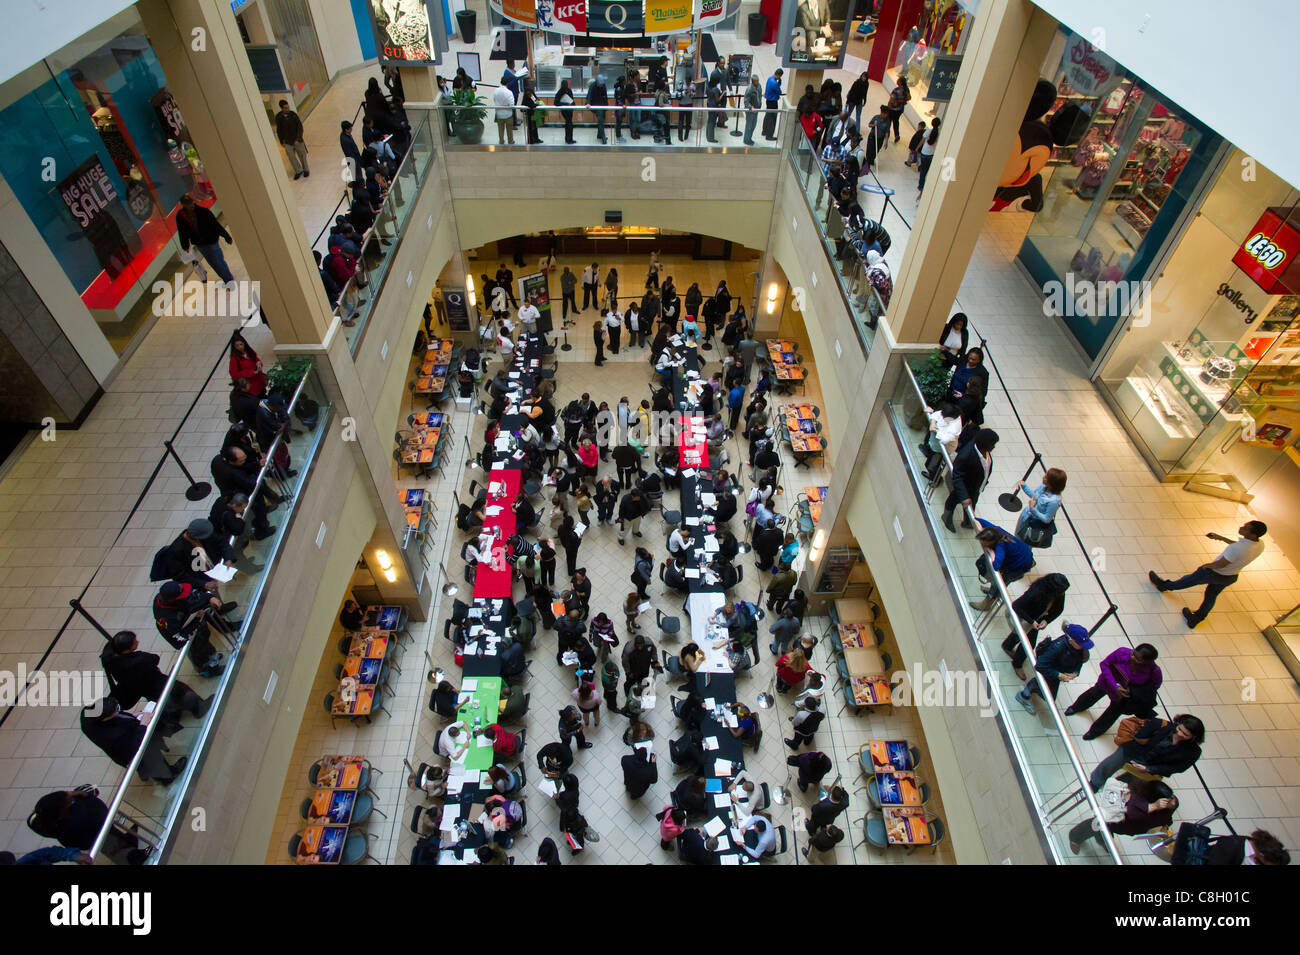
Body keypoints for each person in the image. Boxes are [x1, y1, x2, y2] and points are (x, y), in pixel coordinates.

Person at [1149, 521, 1267, 628]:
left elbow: (1221, 564)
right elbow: (1238, 547)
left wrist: (1207, 566)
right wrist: (1221, 538)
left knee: (1188, 580)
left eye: (1246, 528)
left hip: (1215, 573)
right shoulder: (1259, 544)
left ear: (1253, 534)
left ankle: (1164, 585)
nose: (1242, 527)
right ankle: (1197, 617)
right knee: (1211, 596)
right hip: (1231, 576)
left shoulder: (1237, 548)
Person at [1066, 644, 1162, 741]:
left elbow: (1153, 687)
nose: (1132, 658)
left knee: (1111, 714)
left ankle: (1095, 731)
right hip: (1107, 683)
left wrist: (1132, 691)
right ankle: (1076, 707)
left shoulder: (1154, 671)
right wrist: (1114, 686)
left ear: (1147, 662)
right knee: (1092, 694)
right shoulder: (1122, 652)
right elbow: (1104, 664)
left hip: (1123, 696)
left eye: (1138, 659)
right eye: (1133, 654)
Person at [81, 695, 186, 784]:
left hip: (125, 739)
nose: (119, 709)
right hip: (130, 749)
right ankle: (167, 776)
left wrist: (132, 716)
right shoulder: (114, 736)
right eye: (116, 710)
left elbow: (119, 717)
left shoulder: (88, 713)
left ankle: (152, 772)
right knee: (151, 758)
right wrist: (143, 724)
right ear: (106, 718)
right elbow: (136, 744)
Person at [1088, 714, 1205, 792]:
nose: (1180, 734)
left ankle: (1114, 790)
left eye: (1185, 734)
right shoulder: (1162, 725)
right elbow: (1140, 736)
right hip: (1134, 751)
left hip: (1152, 765)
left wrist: (1148, 769)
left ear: (1194, 737)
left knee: (1132, 783)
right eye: (1179, 729)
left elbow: (1176, 768)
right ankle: (1095, 782)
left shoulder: (1193, 752)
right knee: (1111, 763)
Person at [1001, 572, 1069, 679]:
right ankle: (1017, 664)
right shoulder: (1036, 592)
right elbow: (1016, 606)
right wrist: (1031, 622)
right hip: (1027, 618)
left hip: (1036, 620)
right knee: (1028, 644)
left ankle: (1007, 646)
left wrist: (1047, 620)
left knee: (1020, 634)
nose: (1063, 594)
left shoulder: (1059, 595)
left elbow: (1058, 610)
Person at [1015, 622, 1091, 715]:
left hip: (1058, 671)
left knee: (1050, 695)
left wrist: (1075, 672)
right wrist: (1058, 675)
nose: (1083, 647)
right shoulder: (1058, 647)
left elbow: (1080, 660)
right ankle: (1024, 695)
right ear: (1071, 640)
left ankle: (1031, 690)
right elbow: (1040, 665)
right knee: (1044, 688)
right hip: (1051, 670)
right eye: (1081, 644)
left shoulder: (1078, 648)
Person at [969, 520, 1035, 611]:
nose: (982, 544)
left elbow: (996, 566)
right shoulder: (994, 531)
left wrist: (992, 552)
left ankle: (986, 605)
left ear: (991, 543)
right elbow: (976, 519)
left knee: (1000, 582)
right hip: (1022, 553)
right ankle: (991, 591)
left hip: (1020, 565)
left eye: (984, 543)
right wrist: (980, 530)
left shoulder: (1000, 547)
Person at [941, 428, 998, 532]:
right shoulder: (966, 455)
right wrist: (964, 496)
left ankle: (968, 521)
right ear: (984, 444)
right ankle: (946, 517)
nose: (994, 447)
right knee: (954, 500)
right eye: (992, 444)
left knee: (973, 503)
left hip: (976, 486)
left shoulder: (984, 451)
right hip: (965, 487)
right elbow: (957, 476)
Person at [176, 194, 235, 285]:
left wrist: (226, 236)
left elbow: (215, 224)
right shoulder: (181, 216)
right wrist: (185, 245)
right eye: (187, 204)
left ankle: (229, 280)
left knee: (218, 261)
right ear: (183, 205)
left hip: (211, 240)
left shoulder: (203, 212)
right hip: (200, 243)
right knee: (213, 263)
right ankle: (226, 279)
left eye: (191, 203)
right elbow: (182, 231)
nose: (190, 206)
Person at [1014, 468, 1067, 545]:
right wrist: (1024, 486)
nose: (1043, 477)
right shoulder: (1044, 486)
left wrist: (1033, 509)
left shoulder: (1054, 501)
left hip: (1033, 524)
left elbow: (1047, 519)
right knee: (1017, 536)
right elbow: (1034, 495)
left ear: (1052, 483)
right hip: (1026, 516)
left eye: (1046, 477)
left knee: (1026, 542)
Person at [274, 99, 309, 179]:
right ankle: (298, 170)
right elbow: (279, 130)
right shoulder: (279, 117)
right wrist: (281, 141)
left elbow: (300, 127)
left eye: (288, 107)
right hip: (287, 141)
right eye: (285, 108)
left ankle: (305, 169)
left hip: (297, 140)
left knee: (302, 155)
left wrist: (298, 138)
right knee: (291, 157)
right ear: (281, 108)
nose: (288, 109)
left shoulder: (293, 115)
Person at [917, 118, 940, 197]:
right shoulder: (939, 133)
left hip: (924, 152)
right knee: (926, 171)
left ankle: (921, 186)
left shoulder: (928, 131)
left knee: (922, 170)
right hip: (931, 154)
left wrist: (917, 148)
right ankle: (924, 186)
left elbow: (922, 141)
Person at [492, 74, 516, 145]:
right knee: (509, 130)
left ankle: (501, 141)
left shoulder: (495, 91)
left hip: (499, 113)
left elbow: (494, 100)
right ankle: (510, 141)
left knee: (500, 129)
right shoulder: (509, 92)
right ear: (507, 83)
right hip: (508, 113)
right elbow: (512, 105)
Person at [885, 77, 910, 142]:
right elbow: (909, 97)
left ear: (900, 82)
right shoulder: (906, 90)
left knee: (889, 121)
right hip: (900, 109)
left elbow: (891, 100)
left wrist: (888, 107)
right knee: (896, 122)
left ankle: (887, 134)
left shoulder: (896, 90)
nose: (897, 80)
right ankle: (897, 135)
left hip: (892, 109)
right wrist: (902, 101)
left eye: (898, 80)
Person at [741, 74, 763, 146]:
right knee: (749, 126)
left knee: (753, 125)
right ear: (753, 81)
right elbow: (746, 101)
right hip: (750, 110)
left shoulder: (759, 86)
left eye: (758, 80)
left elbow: (759, 96)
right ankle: (746, 139)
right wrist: (751, 107)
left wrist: (760, 104)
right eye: (756, 81)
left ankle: (749, 138)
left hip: (756, 109)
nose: (757, 82)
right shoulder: (749, 89)